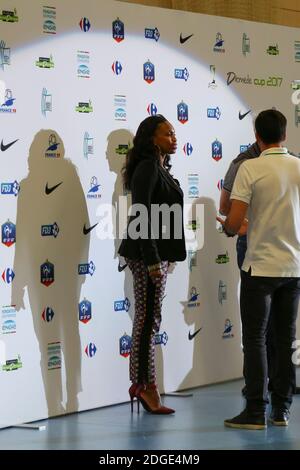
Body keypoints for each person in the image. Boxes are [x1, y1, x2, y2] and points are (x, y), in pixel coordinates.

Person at [219, 109, 300, 429]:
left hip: (259, 269)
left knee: (255, 340)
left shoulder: (249, 168)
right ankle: (281, 410)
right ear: (285, 134)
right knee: (285, 340)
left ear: (257, 136)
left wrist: (226, 227)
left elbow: (235, 222)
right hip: (293, 268)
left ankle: (255, 411)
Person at [118, 115, 186, 414]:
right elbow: (142, 214)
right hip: (147, 256)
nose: (174, 138)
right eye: (168, 133)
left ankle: (146, 385)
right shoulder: (147, 168)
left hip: (156, 255)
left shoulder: (159, 167)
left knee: (149, 319)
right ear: (152, 138)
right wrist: (152, 260)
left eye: (174, 133)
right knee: (147, 321)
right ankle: (145, 386)